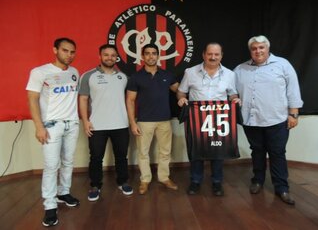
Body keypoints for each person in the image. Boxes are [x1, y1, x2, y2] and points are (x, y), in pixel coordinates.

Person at [233, 35, 303, 205]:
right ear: (250, 51)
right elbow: (232, 90)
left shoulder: (283, 65)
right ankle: (257, 181)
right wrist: (234, 97)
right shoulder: (240, 69)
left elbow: (293, 90)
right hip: (251, 120)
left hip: (277, 119)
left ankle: (282, 188)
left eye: (261, 47)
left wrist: (293, 114)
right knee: (256, 151)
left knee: (277, 152)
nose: (258, 51)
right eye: (254, 48)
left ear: (268, 48)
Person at [26, 37, 80, 227]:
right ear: (55, 50)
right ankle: (50, 206)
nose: (69, 55)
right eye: (65, 50)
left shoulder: (74, 72)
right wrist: (39, 126)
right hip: (51, 126)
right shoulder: (40, 72)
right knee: (51, 166)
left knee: (68, 161)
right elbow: (32, 99)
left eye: (72, 52)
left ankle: (63, 192)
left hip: (72, 124)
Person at [177, 42, 238, 196]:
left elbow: (232, 94)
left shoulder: (230, 74)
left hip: (219, 121)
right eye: (210, 54)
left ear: (221, 56)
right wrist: (182, 99)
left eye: (216, 54)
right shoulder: (190, 72)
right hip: (197, 119)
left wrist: (235, 99)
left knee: (218, 152)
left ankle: (217, 182)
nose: (213, 57)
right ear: (204, 54)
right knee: (197, 151)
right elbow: (181, 92)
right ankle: (195, 181)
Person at [79, 44, 133, 202]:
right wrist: (85, 122)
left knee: (122, 157)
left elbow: (130, 99)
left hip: (121, 125)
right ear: (100, 56)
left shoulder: (124, 77)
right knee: (96, 158)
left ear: (117, 57)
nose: (110, 58)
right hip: (97, 126)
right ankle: (95, 185)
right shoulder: (88, 76)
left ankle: (123, 182)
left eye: (113, 55)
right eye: (106, 55)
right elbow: (83, 99)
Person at [126, 43, 179, 195]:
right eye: (147, 53)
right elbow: (130, 100)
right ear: (142, 56)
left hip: (165, 120)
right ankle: (145, 180)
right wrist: (132, 122)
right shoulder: (136, 77)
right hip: (144, 121)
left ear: (158, 55)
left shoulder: (167, 75)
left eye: (154, 53)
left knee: (165, 151)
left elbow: (180, 91)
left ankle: (164, 177)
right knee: (143, 153)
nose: (151, 56)